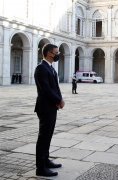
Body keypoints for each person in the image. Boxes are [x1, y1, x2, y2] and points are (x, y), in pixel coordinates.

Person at [34, 43, 64, 177]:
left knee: (48, 136)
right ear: (48, 53)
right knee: (43, 137)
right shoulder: (41, 69)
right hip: (45, 107)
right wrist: (58, 100)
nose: (58, 54)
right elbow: (46, 89)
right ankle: (40, 167)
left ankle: (46, 160)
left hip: (51, 106)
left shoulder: (50, 68)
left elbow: (56, 87)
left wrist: (59, 99)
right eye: (56, 52)